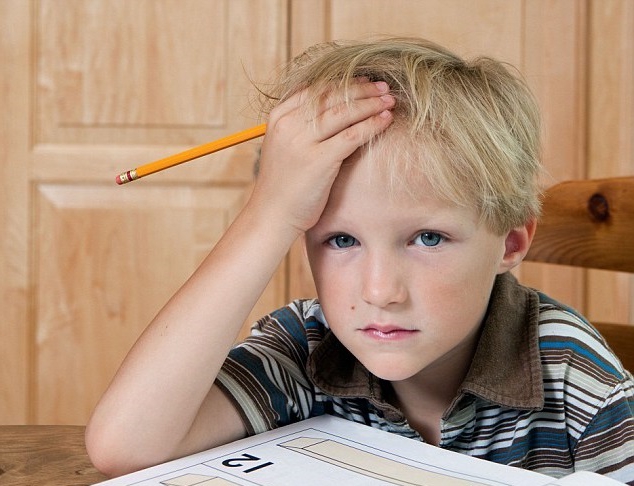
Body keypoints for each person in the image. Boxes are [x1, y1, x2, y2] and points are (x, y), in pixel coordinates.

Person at [85, 37, 634, 483]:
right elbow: (126, 447)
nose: (379, 291)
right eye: (342, 241)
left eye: (427, 238)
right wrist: (270, 214)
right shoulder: (307, 346)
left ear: (511, 245)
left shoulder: (572, 373)